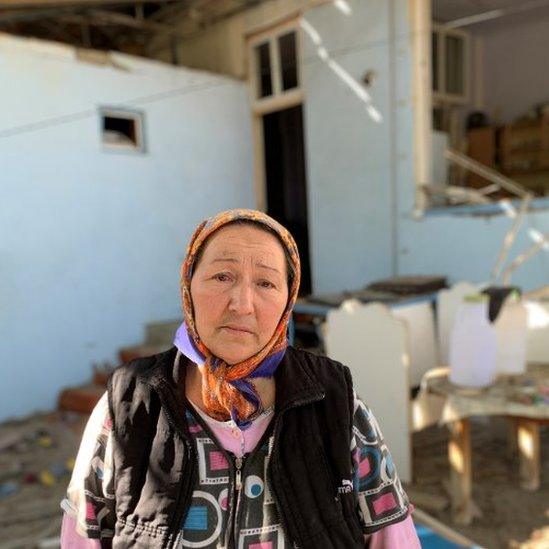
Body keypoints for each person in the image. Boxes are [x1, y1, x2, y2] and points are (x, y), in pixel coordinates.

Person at [61, 209, 420, 548]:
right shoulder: (130, 403)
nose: (242, 303)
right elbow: (84, 536)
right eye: (222, 276)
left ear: (287, 301)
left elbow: (393, 537)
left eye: (266, 283)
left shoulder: (335, 404)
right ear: (188, 285)